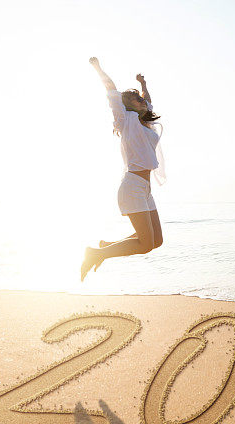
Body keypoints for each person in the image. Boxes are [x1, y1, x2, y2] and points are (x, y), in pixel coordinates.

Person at [81, 57, 167, 281]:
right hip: (132, 187)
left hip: (145, 189)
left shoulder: (144, 121)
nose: (142, 101)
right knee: (145, 244)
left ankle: (104, 247)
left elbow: (148, 101)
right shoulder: (124, 119)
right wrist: (98, 68)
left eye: (141, 99)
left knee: (156, 241)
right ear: (130, 105)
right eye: (137, 99)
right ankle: (96, 253)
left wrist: (143, 85)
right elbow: (111, 90)